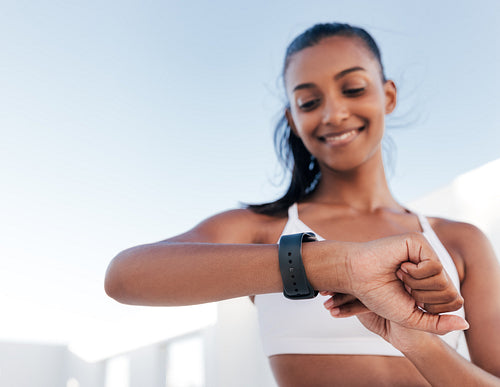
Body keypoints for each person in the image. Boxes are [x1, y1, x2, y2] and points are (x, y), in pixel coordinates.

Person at [105, 23, 500, 386]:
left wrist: (418, 342)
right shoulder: (263, 229)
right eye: (309, 102)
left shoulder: (460, 241)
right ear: (292, 119)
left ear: (388, 96)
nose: (333, 114)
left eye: (353, 88)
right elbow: (125, 276)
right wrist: (337, 265)